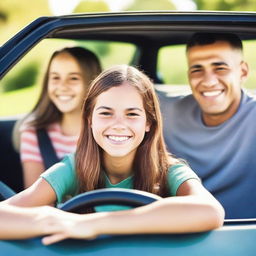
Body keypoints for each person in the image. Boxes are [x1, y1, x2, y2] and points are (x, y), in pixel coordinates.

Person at [0, 65, 224, 244]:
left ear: (149, 122)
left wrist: (94, 224)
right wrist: (54, 220)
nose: (118, 125)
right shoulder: (73, 168)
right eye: (106, 113)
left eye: (132, 114)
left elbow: (211, 212)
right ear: (89, 119)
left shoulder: (168, 169)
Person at [158, 32, 255, 219]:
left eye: (220, 68)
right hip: (176, 233)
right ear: (188, 75)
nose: (209, 81)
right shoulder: (164, 113)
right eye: (197, 69)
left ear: (242, 72)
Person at [18, 46, 102, 188]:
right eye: (56, 77)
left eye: (74, 78)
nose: (62, 86)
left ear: (92, 83)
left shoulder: (105, 131)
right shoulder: (34, 134)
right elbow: (33, 199)